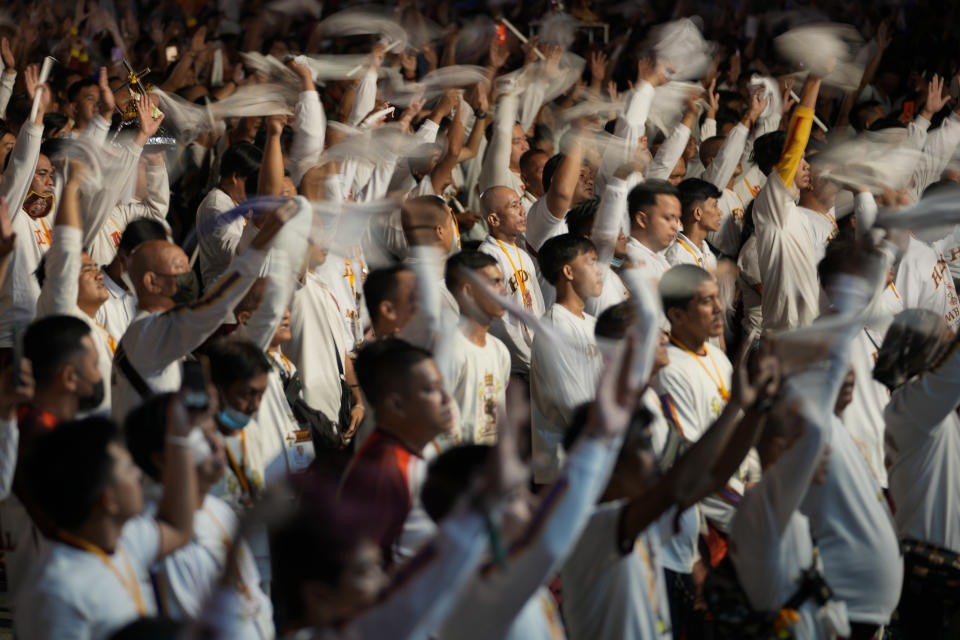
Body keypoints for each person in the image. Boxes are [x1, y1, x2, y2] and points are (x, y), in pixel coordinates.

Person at [14, 395, 198, 640]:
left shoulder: (124, 540)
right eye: (129, 468)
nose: (139, 476)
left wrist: (179, 435)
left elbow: (179, 528)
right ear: (107, 499)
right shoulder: (59, 589)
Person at [112, 197, 300, 421]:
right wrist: (263, 238)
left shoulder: (151, 330)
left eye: (186, 265)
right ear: (152, 282)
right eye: (179, 267)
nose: (187, 273)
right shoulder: (150, 331)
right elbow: (217, 304)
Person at [124, 393, 274, 638]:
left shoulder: (220, 510)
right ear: (163, 458)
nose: (216, 444)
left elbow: (253, 595)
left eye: (213, 431)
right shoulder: (162, 533)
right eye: (198, 436)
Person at [876, 310, 960, 638]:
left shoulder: (919, 409)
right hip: (932, 575)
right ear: (928, 353)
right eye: (946, 340)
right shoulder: (912, 408)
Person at [341, 339, 456, 563]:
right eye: (432, 390)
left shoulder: (418, 451)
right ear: (395, 405)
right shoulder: (384, 470)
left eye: (443, 387)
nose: (446, 399)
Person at [530, 234, 604, 483]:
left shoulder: (592, 323)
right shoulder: (555, 327)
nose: (599, 270)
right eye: (591, 262)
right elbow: (574, 406)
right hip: (565, 469)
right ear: (569, 271)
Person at [441, 250, 511, 445]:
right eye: (494, 283)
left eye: (502, 282)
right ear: (468, 291)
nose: (504, 290)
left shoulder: (499, 350)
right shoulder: (450, 350)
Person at [478, 186, 546, 378]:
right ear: (494, 219)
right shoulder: (487, 257)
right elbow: (499, 319)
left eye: (521, 205)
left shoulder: (522, 254)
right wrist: (527, 359)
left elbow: (537, 305)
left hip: (534, 357)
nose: (522, 211)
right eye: (514, 206)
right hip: (514, 365)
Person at [195, 142, 261, 289]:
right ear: (235, 177)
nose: (254, 189)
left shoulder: (236, 201)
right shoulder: (215, 205)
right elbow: (233, 252)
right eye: (252, 182)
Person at [625, 180, 681, 285]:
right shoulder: (635, 259)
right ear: (642, 220)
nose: (675, 226)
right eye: (668, 218)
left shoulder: (655, 255)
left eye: (677, 219)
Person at [666, 178, 722, 271]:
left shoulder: (707, 252)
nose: (720, 212)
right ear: (697, 213)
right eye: (714, 205)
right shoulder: (677, 257)